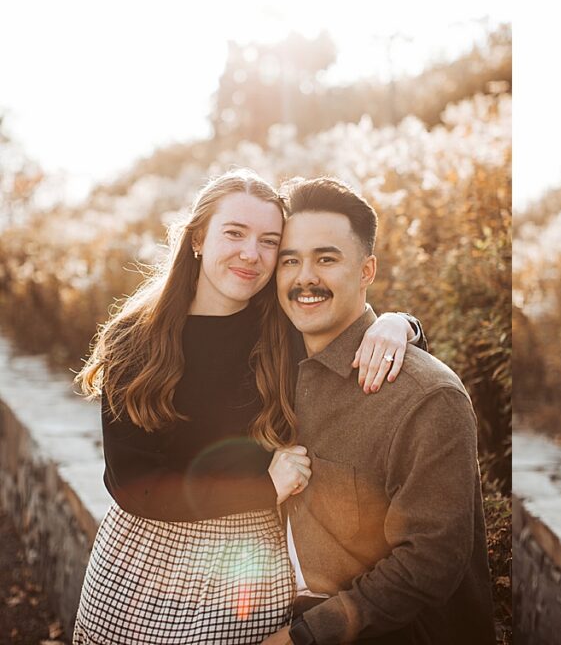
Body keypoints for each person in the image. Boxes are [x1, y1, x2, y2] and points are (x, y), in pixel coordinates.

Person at [73, 169, 424, 645]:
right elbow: (133, 485)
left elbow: (352, 324)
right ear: (198, 238)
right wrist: (263, 487)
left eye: (268, 241)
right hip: (143, 564)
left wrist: (400, 325)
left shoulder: (283, 326)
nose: (250, 254)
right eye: (234, 233)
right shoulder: (136, 339)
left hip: (249, 568)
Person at [259, 176, 494, 645]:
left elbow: (428, 563)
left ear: (367, 271)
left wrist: (304, 637)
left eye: (326, 259)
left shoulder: (426, 398)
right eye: (290, 260)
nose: (305, 277)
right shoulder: (273, 359)